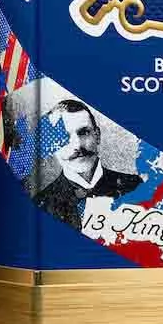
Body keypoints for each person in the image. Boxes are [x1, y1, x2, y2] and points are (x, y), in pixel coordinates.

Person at [34, 99, 141, 231]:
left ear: (97, 136)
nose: (77, 145)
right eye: (63, 137)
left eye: (84, 132)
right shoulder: (40, 205)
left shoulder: (135, 187)